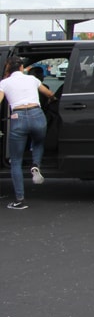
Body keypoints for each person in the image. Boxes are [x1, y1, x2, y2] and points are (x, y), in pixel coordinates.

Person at [0, 56, 56, 210]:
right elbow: (49, 94)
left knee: (16, 161)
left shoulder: (4, 83)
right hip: (37, 115)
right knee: (38, 141)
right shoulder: (32, 79)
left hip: (18, 118)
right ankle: (36, 164)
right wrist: (53, 99)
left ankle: (19, 200)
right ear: (22, 67)